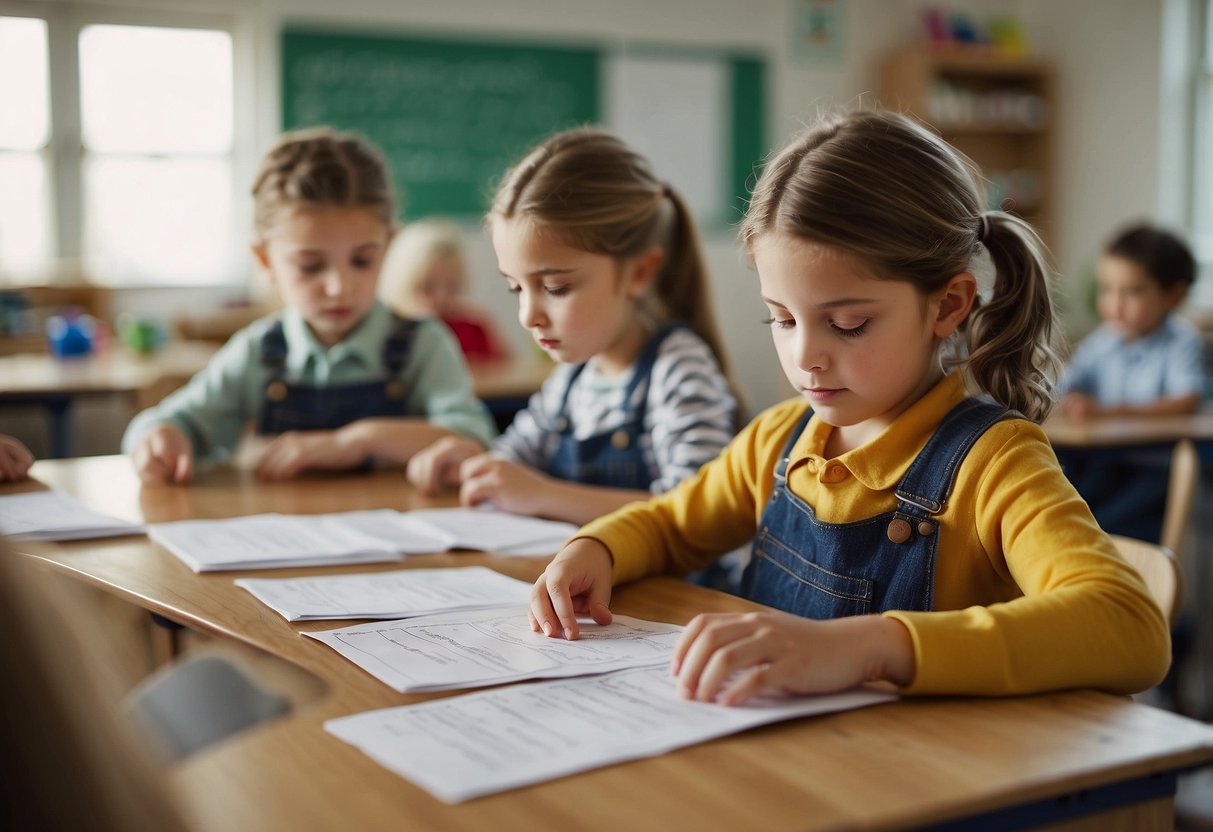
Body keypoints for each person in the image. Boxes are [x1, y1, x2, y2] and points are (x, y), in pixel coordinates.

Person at [528, 109, 1171, 706]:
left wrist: (872, 647)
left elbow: (1128, 624)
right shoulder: (779, 440)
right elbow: (668, 525)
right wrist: (595, 550)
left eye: (849, 324)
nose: (805, 356)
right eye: (781, 319)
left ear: (947, 305)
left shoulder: (995, 462)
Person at [122, 128, 496, 484]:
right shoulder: (258, 351)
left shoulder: (423, 344)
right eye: (310, 266)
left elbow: (472, 439)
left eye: (363, 260)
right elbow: (174, 421)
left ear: (388, 246)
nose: (339, 287)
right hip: (284, 541)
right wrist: (158, 436)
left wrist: (359, 441)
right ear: (265, 260)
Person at [406, 128, 739, 528]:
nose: (528, 316)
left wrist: (544, 495)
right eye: (516, 288)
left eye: (555, 288)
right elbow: (515, 459)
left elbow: (698, 514)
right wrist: (475, 462)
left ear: (639, 273)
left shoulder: (679, 370)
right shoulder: (572, 379)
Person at [1055, 224, 1202, 542]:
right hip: (1102, 460)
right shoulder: (1104, 340)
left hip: (1155, 466)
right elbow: (1066, 381)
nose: (1115, 303)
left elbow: (1187, 399)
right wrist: (1064, 398)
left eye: (1133, 291)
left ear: (1173, 295)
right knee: (1062, 503)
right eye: (1107, 288)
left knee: (1103, 525)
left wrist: (1109, 411)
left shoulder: (1181, 341)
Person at [379, 219, 510, 362]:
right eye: (426, 287)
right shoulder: (386, 330)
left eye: (452, 287)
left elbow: (507, 368)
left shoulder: (473, 329)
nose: (442, 297)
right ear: (402, 284)